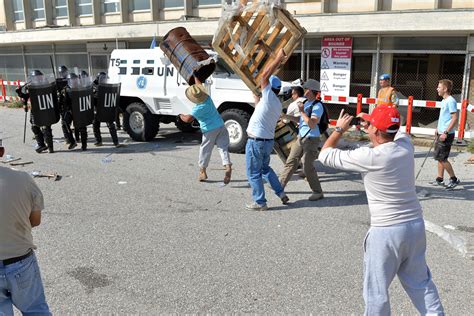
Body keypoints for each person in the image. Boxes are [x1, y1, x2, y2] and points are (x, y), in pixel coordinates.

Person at [319, 106, 444, 315]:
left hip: (386, 232)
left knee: (376, 292)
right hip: (414, 226)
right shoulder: (405, 145)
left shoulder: (369, 156)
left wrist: (339, 129)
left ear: (376, 131)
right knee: (421, 283)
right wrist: (377, 121)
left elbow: (325, 155)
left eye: (371, 125)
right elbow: (399, 125)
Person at [0, 139, 51, 315]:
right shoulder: (23, 179)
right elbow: (35, 221)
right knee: (35, 310)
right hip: (20, 260)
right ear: (2, 152)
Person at [245, 48, 289, 211]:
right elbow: (260, 109)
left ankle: (260, 202)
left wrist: (277, 59)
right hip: (267, 141)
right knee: (265, 169)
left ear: (270, 87)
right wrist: (255, 98)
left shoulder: (269, 95)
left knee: (253, 173)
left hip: (256, 141)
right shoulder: (275, 103)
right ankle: (281, 192)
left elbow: (264, 75)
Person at [179, 77, 232, 184]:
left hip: (209, 130)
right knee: (223, 147)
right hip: (221, 125)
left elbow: (188, 119)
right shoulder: (208, 98)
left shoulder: (198, 108)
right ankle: (227, 166)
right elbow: (200, 86)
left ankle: (203, 171)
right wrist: (195, 76)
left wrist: (180, 116)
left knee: (205, 150)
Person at [279, 79, 324, 201]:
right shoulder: (306, 102)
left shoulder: (317, 106)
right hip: (301, 137)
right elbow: (301, 120)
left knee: (307, 167)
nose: (304, 90)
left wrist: (302, 111)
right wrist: (286, 116)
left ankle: (318, 192)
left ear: (312, 91)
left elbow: (312, 124)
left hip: (311, 139)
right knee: (291, 161)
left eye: (306, 89)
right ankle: (279, 187)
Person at [15, 70, 55, 154]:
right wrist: (19, 93)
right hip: (36, 110)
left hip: (46, 109)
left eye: (39, 77)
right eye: (36, 78)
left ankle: (50, 147)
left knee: (46, 128)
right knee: (35, 127)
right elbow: (26, 97)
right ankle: (41, 145)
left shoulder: (47, 85)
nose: (38, 79)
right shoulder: (31, 87)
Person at [432, 79, 460, 190]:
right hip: (441, 132)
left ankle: (454, 179)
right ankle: (440, 179)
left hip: (446, 134)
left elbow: (454, 118)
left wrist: (445, 132)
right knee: (439, 157)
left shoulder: (450, 101)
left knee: (443, 158)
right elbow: (444, 118)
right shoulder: (444, 101)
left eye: (439, 87)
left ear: (445, 89)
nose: (437, 89)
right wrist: (438, 128)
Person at [92, 72, 123, 148]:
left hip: (106, 108)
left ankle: (116, 142)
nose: (103, 79)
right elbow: (92, 97)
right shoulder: (94, 86)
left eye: (104, 78)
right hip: (97, 108)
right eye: (102, 78)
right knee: (95, 125)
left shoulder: (108, 85)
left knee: (111, 125)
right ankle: (98, 141)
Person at [57, 67, 78, 150]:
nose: (62, 74)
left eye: (64, 72)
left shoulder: (77, 85)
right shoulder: (59, 82)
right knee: (65, 124)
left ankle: (78, 140)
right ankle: (69, 140)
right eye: (61, 72)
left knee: (78, 125)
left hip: (75, 109)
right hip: (67, 108)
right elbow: (60, 98)